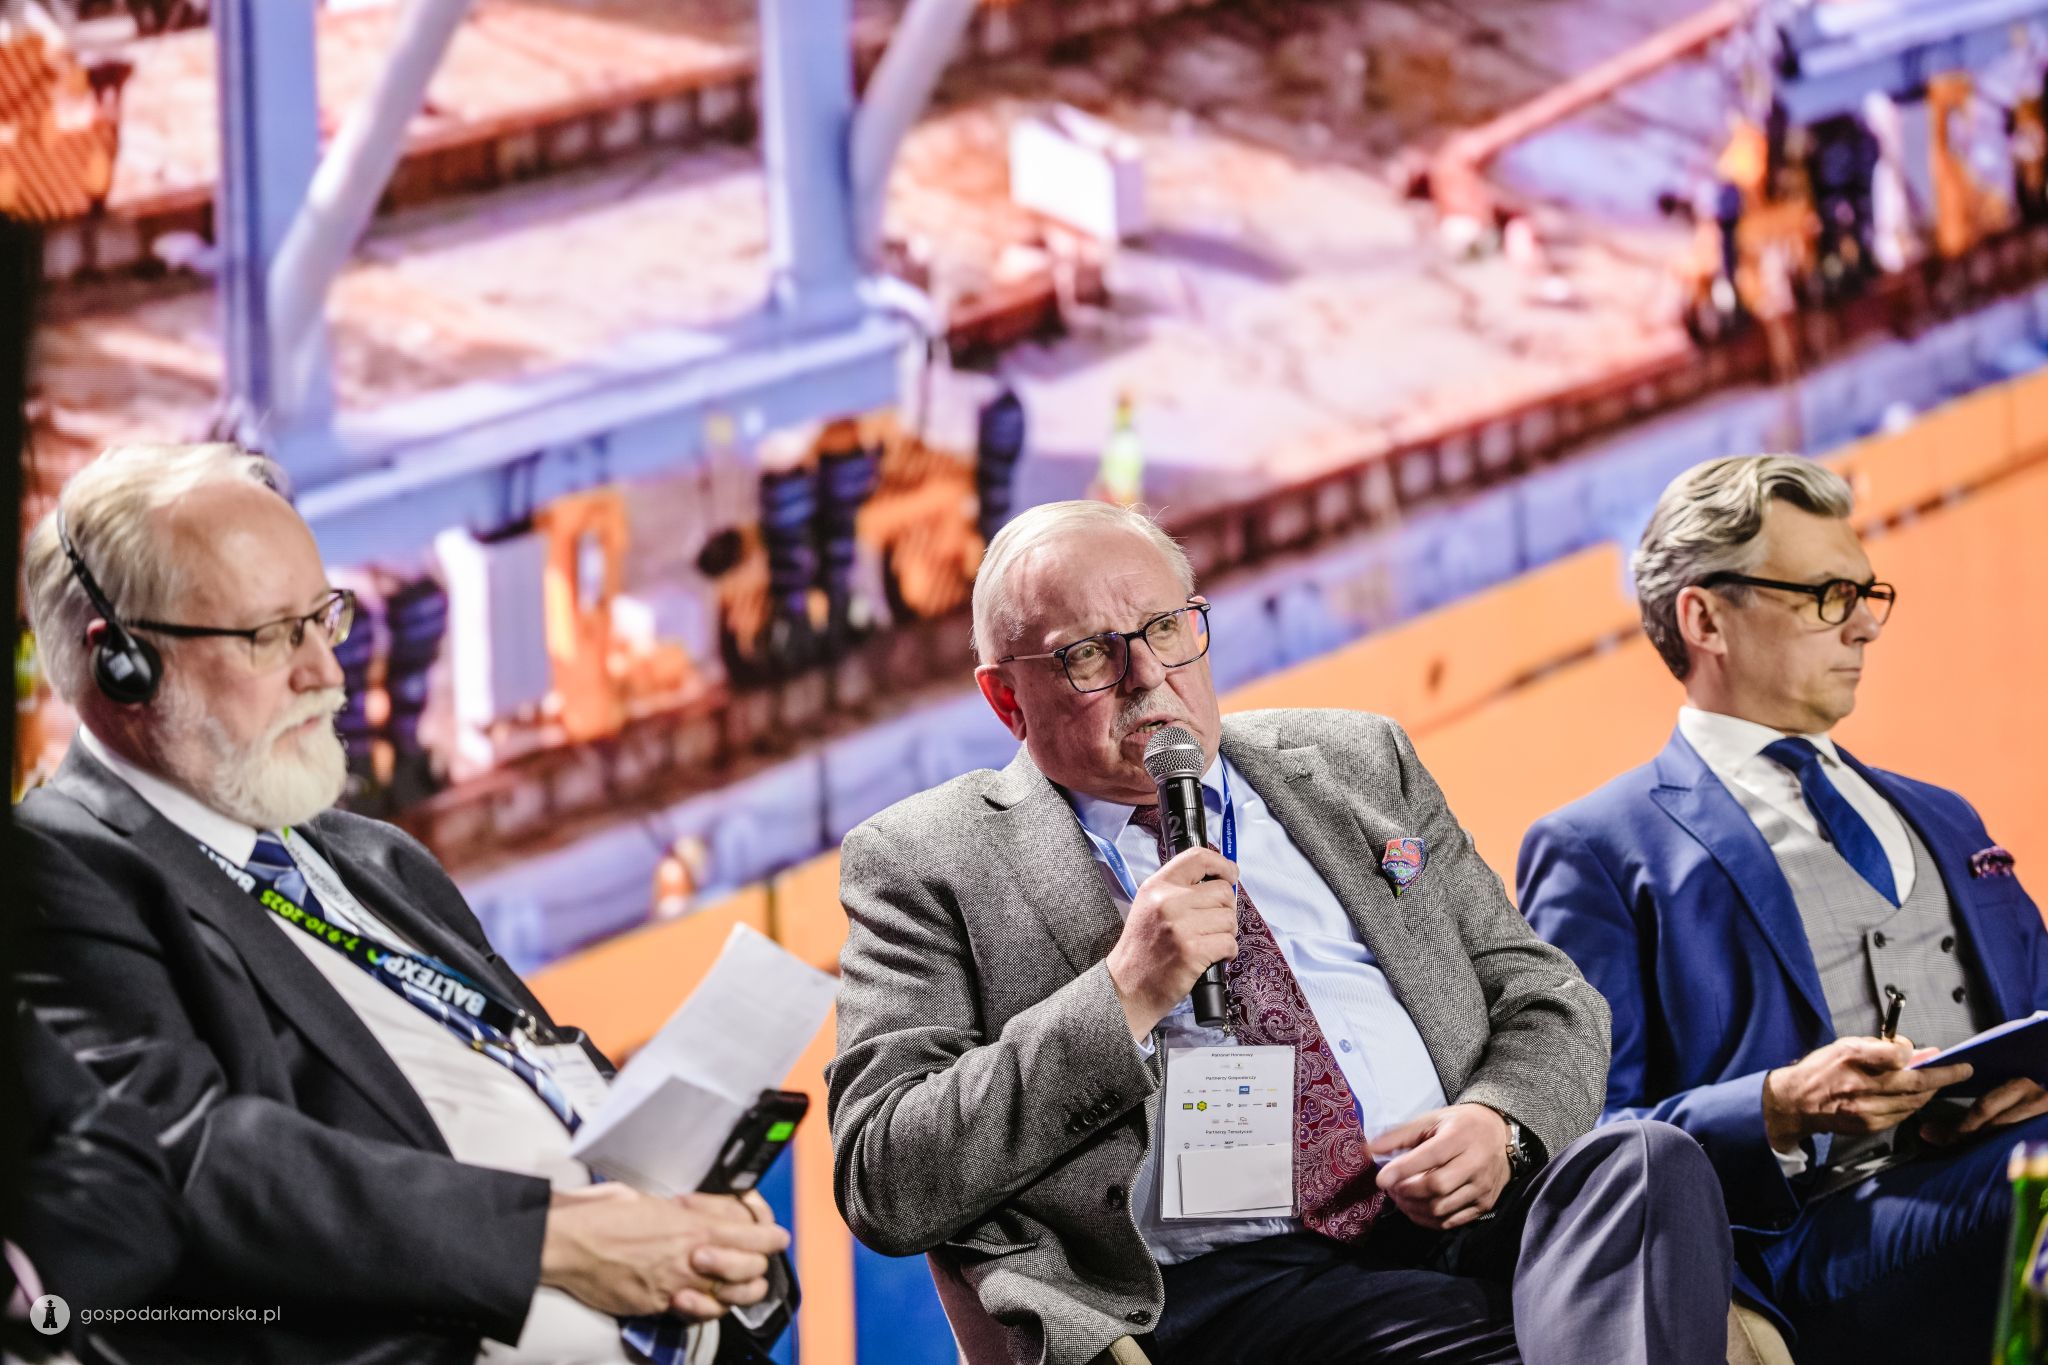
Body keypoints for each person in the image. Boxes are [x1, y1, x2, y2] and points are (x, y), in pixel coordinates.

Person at [827, 499, 1733, 1365]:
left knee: (1646, 1160)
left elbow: (1545, 993)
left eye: (1166, 628)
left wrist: (1500, 1123)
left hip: (1476, 1215)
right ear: (1006, 698)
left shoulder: (1357, 758)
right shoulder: (926, 861)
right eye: (1090, 655)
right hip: (1242, 1285)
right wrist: (1123, 993)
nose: (1149, 676)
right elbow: (884, 1176)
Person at [15, 443, 795, 1365]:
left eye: (323, 618)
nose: (325, 671)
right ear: (123, 665)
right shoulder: (56, 863)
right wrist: (558, 1239)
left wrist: (704, 1233)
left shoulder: (379, 860)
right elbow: (187, 1153)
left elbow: (543, 1083)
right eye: (270, 636)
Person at [1518, 454, 2048, 1365]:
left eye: (1867, 593)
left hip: (2009, 1169)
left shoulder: (1945, 814)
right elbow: (1583, 1141)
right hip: (1819, 1242)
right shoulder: (1596, 847)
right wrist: (1779, 1105)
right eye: (1827, 595)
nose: (1863, 626)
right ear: (1706, 618)